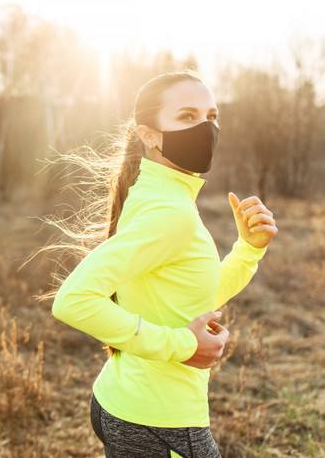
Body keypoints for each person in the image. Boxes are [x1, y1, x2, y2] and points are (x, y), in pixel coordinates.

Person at [50, 71, 277, 457]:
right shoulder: (170, 212)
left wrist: (248, 250)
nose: (205, 128)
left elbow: (192, 295)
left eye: (211, 116)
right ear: (149, 135)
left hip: (125, 402)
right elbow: (73, 300)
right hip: (160, 420)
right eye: (187, 117)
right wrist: (183, 345)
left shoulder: (158, 193)